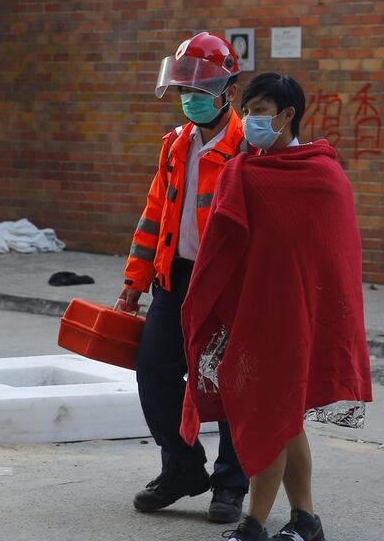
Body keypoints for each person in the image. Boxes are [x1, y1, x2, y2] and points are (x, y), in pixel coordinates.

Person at [179, 73, 372, 541]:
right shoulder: (247, 170)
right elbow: (229, 248)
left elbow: (331, 260)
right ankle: (306, 519)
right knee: (283, 419)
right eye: (247, 111)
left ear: (288, 116)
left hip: (298, 317)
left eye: (261, 110)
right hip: (257, 313)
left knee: (273, 414)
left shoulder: (322, 176)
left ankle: (254, 523)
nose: (250, 120)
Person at [115, 31, 250, 523]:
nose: (191, 98)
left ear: (229, 92)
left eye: (202, 89)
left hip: (230, 287)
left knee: (230, 384)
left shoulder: (248, 149)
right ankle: (183, 467)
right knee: (154, 371)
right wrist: (134, 281)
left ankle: (231, 484)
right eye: (184, 90)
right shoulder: (174, 145)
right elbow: (154, 216)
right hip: (174, 279)